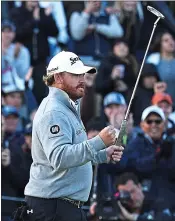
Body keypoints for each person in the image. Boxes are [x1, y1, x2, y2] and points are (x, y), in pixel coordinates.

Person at [22, 51, 124, 221]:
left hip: (61, 207)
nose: (82, 79)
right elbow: (60, 158)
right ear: (59, 77)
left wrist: (102, 155)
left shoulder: (67, 106)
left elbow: (73, 154)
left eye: (82, 74)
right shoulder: (54, 110)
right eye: (76, 74)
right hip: (52, 207)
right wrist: (99, 142)